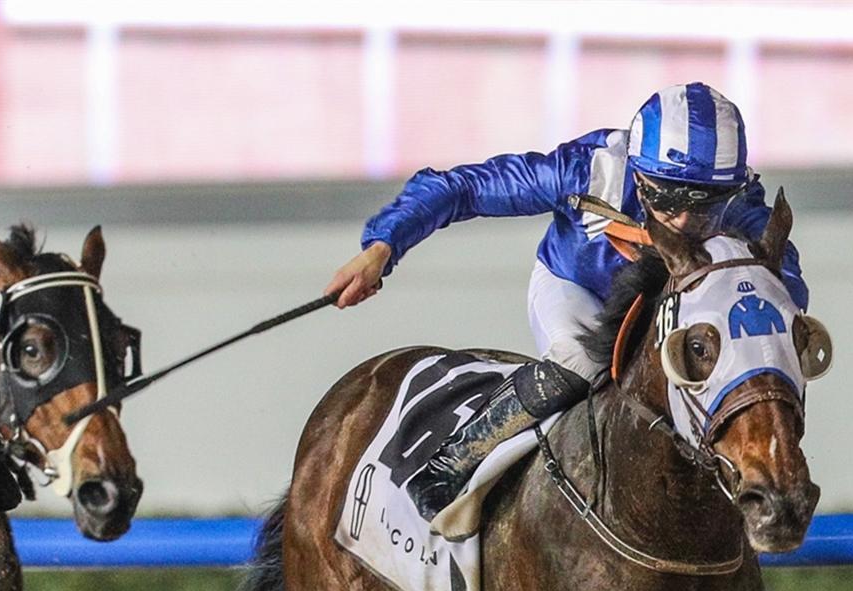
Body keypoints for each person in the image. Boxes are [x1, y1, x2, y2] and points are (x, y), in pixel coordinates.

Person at [324, 82, 808, 520]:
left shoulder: (743, 207)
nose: (683, 220)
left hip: (667, 311)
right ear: (638, 173)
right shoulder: (587, 169)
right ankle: (452, 463)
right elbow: (463, 187)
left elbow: (785, 287)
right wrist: (383, 247)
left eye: (704, 202)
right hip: (580, 290)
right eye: (666, 196)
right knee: (581, 361)